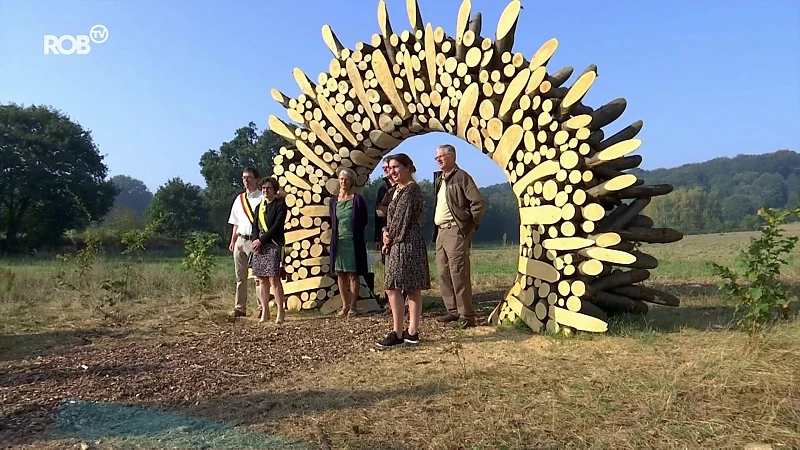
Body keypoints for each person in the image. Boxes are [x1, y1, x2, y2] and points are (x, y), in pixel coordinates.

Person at [377, 153, 431, 348]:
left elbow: (401, 219)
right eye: (390, 168)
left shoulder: (411, 190)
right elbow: (388, 217)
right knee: (395, 287)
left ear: (408, 167)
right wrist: (384, 231)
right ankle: (402, 331)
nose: (392, 172)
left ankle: (408, 332)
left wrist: (388, 240)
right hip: (398, 241)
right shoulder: (396, 190)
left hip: (407, 243)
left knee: (407, 287)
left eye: (396, 167)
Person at [432, 144, 486, 328]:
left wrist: (470, 225)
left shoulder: (462, 177)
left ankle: (466, 316)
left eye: (442, 156)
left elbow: (478, 202)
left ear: (452, 156)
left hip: (455, 231)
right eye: (436, 157)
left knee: (458, 273)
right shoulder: (441, 179)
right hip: (441, 231)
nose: (438, 159)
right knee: (443, 272)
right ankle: (452, 311)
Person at [329, 167, 369, 317]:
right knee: (340, 273)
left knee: (353, 274)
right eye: (341, 179)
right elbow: (332, 219)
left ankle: (353, 306)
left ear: (351, 181)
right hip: (338, 242)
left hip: (353, 242)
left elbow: (364, 219)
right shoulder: (334, 201)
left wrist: (355, 231)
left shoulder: (357, 199)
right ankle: (344, 305)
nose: (343, 181)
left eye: (346, 179)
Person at [250, 177, 288, 324]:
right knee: (262, 279)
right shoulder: (259, 207)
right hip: (259, 246)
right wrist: (255, 240)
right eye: (263, 188)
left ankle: (280, 311)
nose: (265, 191)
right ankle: (265, 311)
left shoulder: (280, 205)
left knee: (274, 279)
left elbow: (277, 226)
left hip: (273, 244)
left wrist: (261, 240)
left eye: (268, 188)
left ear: (274, 190)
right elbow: (254, 226)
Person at [228, 167, 262, 318]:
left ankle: (261, 307)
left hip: (254, 240)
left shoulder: (261, 197)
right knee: (240, 277)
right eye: (243, 178)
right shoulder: (239, 199)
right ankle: (240, 308)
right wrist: (233, 241)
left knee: (258, 277)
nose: (246, 180)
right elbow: (235, 222)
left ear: (256, 179)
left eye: (249, 177)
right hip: (240, 240)